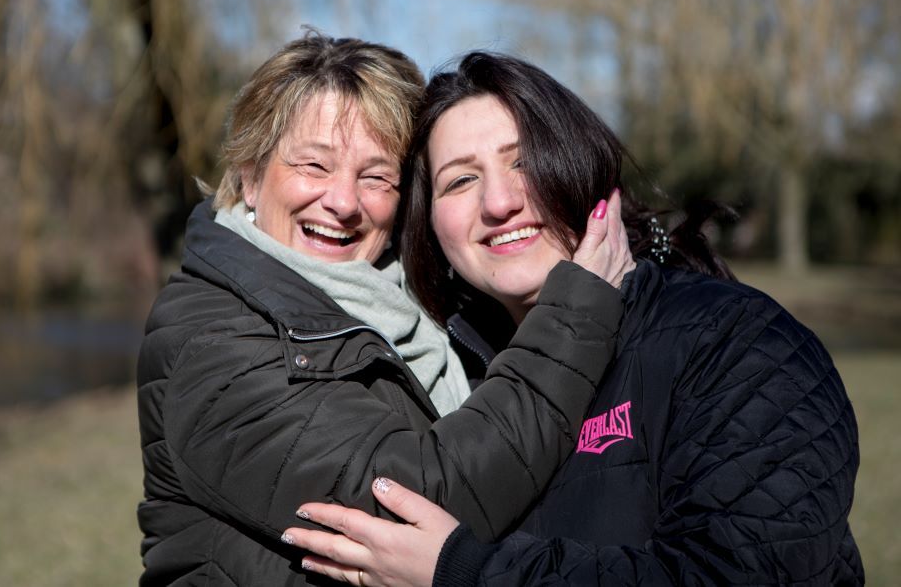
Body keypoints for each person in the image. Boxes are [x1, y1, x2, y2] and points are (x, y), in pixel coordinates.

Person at [282, 51, 864, 586]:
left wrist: (463, 573)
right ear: (429, 227)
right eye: (460, 179)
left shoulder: (738, 343)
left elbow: (744, 573)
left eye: (525, 161)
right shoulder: (447, 382)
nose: (499, 202)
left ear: (581, 168)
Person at [136, 34, 636, 585]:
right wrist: (576, 316)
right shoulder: (210, 341)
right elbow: (420, 500)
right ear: (252, 178)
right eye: (313, 165)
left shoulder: (419, 299)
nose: (344, 202)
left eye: (375, 176)